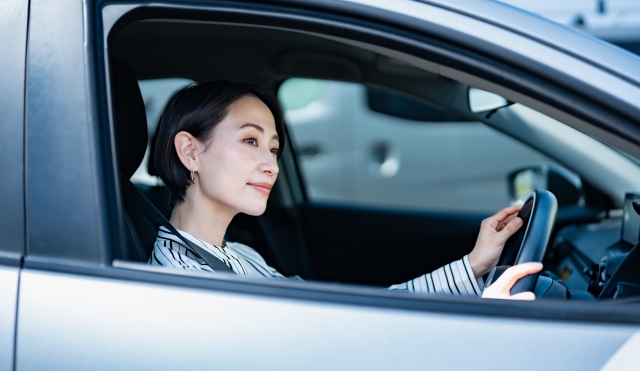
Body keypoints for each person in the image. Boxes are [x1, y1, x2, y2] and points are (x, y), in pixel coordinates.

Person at [149, 80, 541, 300]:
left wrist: (473, 265)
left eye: (273, 148)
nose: (271, 164)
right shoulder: (189, 285)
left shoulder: (237, 255)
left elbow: (348, 319)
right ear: (190, 152)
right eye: (250, 141)